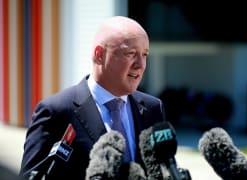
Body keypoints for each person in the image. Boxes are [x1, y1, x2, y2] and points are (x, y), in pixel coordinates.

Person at [19, 16, 166, 180]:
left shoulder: (153, 108)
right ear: (99, 54)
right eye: (130, 53)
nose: (141, 64)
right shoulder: (56, 111)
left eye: (145, 55)